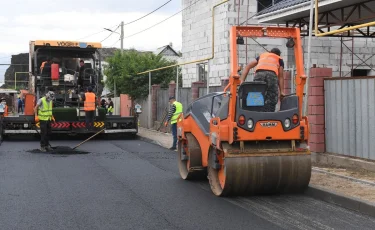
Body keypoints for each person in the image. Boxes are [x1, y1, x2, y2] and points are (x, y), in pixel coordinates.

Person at [240, 48, 285, 112]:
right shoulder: (279, 59)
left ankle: (255, 112)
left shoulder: (262, 56)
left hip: (259, 74)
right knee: (271, 96)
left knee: (257, 93)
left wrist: (242, 81)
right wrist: (282, 92)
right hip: (271, 75)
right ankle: (269, 114)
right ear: (279, 54)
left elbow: (248, 66)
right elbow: (281, 76)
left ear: (270, 52)